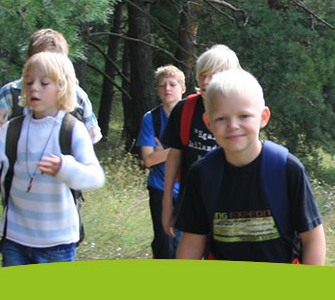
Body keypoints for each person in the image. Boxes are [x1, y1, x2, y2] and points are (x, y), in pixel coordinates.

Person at [0, 52, 105, 266]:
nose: (33, 88)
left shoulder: (72, 129)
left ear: (62, 87)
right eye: (28, 82)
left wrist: (65, 168)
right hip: (15, 240)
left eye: (44, 83)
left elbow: (95, 177)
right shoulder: (13, 129)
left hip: (58, 244)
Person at [174, 69, 325, 264]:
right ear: (208, 123)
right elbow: (194, 239)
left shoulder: (287, 169)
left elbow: (312, 238)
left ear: (263, 117)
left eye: (244, 116)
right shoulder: (202, 174)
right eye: (221, 118)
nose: (233, 125)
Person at [161, 45, 241, 241]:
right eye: (202, 75)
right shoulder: (184, 109)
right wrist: (167, 202)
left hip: (231, 209)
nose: (205, 81)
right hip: (190, 207)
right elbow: (175, 155)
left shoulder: (241, 112)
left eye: (213, 75)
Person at [0, 29, 101, 144]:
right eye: (41, 62)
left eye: (55, 64)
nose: (34, 88)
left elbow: (90, 141)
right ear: (28, 61)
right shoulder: (10, 94)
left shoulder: (77, 96)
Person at [137, 65, 186, 259]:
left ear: (183, 88)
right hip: (159, 187)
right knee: (162, 242)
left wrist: (163, 151)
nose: (167, 89)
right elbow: (148, 159)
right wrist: (178, 148)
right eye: (162, 85)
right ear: (157, 90)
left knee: (184, 242)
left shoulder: (192, 117)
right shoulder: (152, 118)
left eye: (172, 84)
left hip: (186, 189)